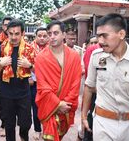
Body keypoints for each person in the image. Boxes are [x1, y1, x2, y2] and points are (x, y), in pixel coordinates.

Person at [82, 13, 129, 141]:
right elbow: (89, 87)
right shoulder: (97, 56)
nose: (100, 41)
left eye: (104, 36)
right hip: (103, 122)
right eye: (98, 36)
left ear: (121, 34)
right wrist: (84, 116)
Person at [35, 20, 82, 141]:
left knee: (60, 135)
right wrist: (57, 104)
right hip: (48, 104)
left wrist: (65, 104)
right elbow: (42, 85)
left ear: (64, 35)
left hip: (67, 105)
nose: (52, 37)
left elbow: (76, 83)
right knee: (50, 137)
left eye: (56, 33)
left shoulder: (74, 56)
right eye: (49, 34)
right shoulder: (40, 58)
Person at [0, 19, 35, 141]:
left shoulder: (29, 50)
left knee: (26, 125)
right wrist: (1, 64)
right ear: (7, 33)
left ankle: (23, 136)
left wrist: (29, 65)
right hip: (6, 96)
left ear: (22, 34)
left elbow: (39, 72)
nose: (13, 37)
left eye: (17, 33)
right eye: (11, 33)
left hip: (23, 95)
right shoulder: (1, 49)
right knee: (9, 127)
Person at [30, 27, 49, 140]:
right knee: (35, 107)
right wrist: (28, 78)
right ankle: (37, 129)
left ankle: (47, 129)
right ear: (35, 36)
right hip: (34, 83)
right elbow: (24, 65)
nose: (42, 38)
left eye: (44, 36)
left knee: (48, 107)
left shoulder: (52, 49)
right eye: (39, 36)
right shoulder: (29, 49)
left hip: (48, 83)